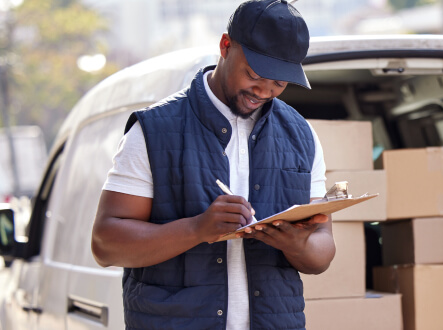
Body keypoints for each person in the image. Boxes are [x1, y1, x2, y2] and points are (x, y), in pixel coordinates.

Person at [90, 1, 335, 329]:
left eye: (279, 83)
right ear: (224, 46)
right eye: (255, 74)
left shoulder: (301, 135)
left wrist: (297, 244)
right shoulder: (154, 130)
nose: (264, 91)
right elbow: (105, 244)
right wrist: (196, 229)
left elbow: (323, 251)